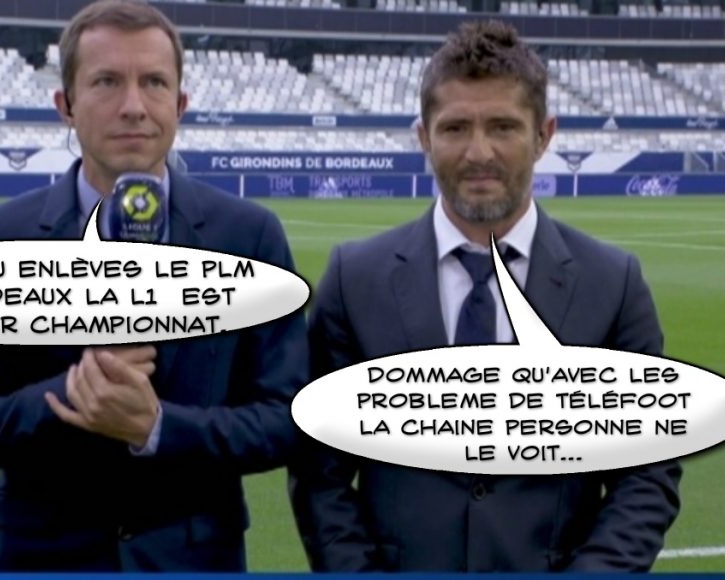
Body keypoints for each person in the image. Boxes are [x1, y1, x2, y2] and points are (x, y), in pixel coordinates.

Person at [0, 0, 307, 571]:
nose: (133, 106)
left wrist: (160, 428)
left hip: (193, 559)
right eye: (106, 82)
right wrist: (67, 397)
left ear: (180, 104)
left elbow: (287, 418)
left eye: (154, 83)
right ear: (65, 105)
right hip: (35, 560)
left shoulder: (248, 236)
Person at [288, 20, 681, 572]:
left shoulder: (612, 284)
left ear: (544, 135)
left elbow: (648, 471)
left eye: (503, 127)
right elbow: (318, 471)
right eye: (455, 128)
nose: (479, 152)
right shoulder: (355, 280)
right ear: (423, 137)